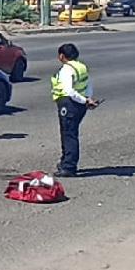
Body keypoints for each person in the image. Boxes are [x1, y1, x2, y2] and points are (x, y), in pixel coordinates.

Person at [53, 43, 99, 177]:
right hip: (80, 105)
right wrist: (87, 99)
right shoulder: (81, 67)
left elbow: (69, 91)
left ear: (62, 56)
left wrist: (84, 100)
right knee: (71, 133)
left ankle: (68, 167)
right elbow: (88, 85)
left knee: (68, 135)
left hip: (70, 105)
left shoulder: (67, 70)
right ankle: (65, 162)